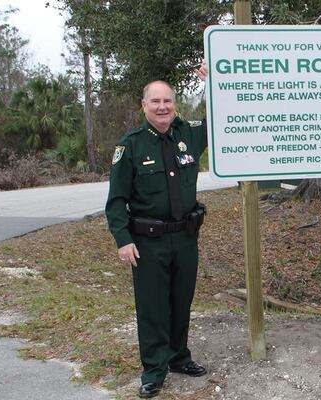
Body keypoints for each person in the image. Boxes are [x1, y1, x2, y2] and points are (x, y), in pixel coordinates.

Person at [105, 63, 209, 399]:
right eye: (155, 102)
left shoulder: (188, 134)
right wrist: (123, 240)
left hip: (186, 237)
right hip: (148, 242)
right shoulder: (131, 146)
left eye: (168, 101)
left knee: (181, 301)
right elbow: (116, 200)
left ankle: (179, 357)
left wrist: (213, 80)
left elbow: (222, 119)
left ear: (174, 104)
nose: (162, 107)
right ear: (144, 106)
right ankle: (154, 369)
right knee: (152, 307)